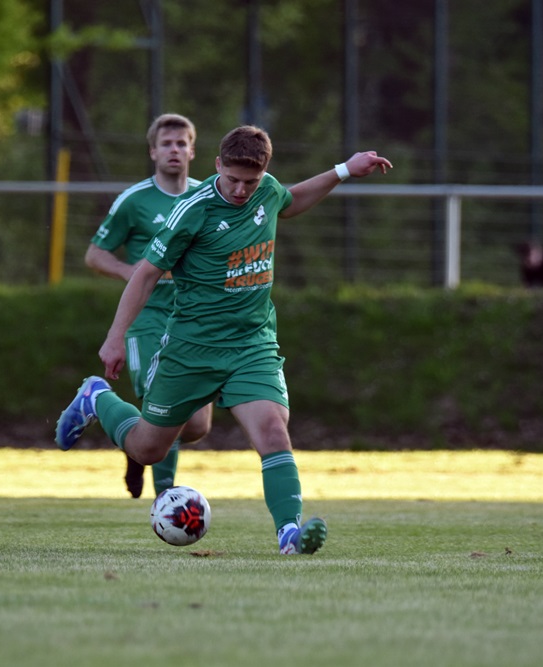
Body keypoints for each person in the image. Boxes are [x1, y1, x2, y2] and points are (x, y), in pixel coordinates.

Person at [56, 125, 392, 555]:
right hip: (190, 350)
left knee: (272, 431)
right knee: (147, 449)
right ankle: (96, 397)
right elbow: (145, 274)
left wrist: (344, 170)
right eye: (232, 179)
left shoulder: (266, 190)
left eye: (250, 182)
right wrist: (114, 337)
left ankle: (289, 534)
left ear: (263, 174)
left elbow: (290, 201)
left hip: (252, 345)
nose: (240, 190)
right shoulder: (192, 211)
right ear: (217, 165)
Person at [84, 113, 212, 499]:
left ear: (192, 151)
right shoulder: (135, 200)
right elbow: (94, 254)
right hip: (148, 318)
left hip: (192, 320)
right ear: (153, 151)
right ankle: (167, 499)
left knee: (197, 426)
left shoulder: (207, 196)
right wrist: (130, 273)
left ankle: (134, 445)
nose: (174, 150)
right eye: (166, 143)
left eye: (181, 143)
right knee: (166, 405)